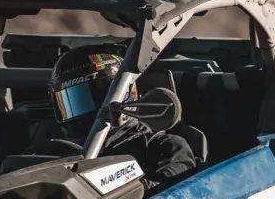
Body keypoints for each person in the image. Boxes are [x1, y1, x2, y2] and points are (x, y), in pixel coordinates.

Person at [38, 46, 199, 186]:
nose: (79, 112)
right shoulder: (50, 148)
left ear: (121, 97)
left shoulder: (164, 147)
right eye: (70, 101)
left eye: (87, 99)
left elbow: (168, 198)